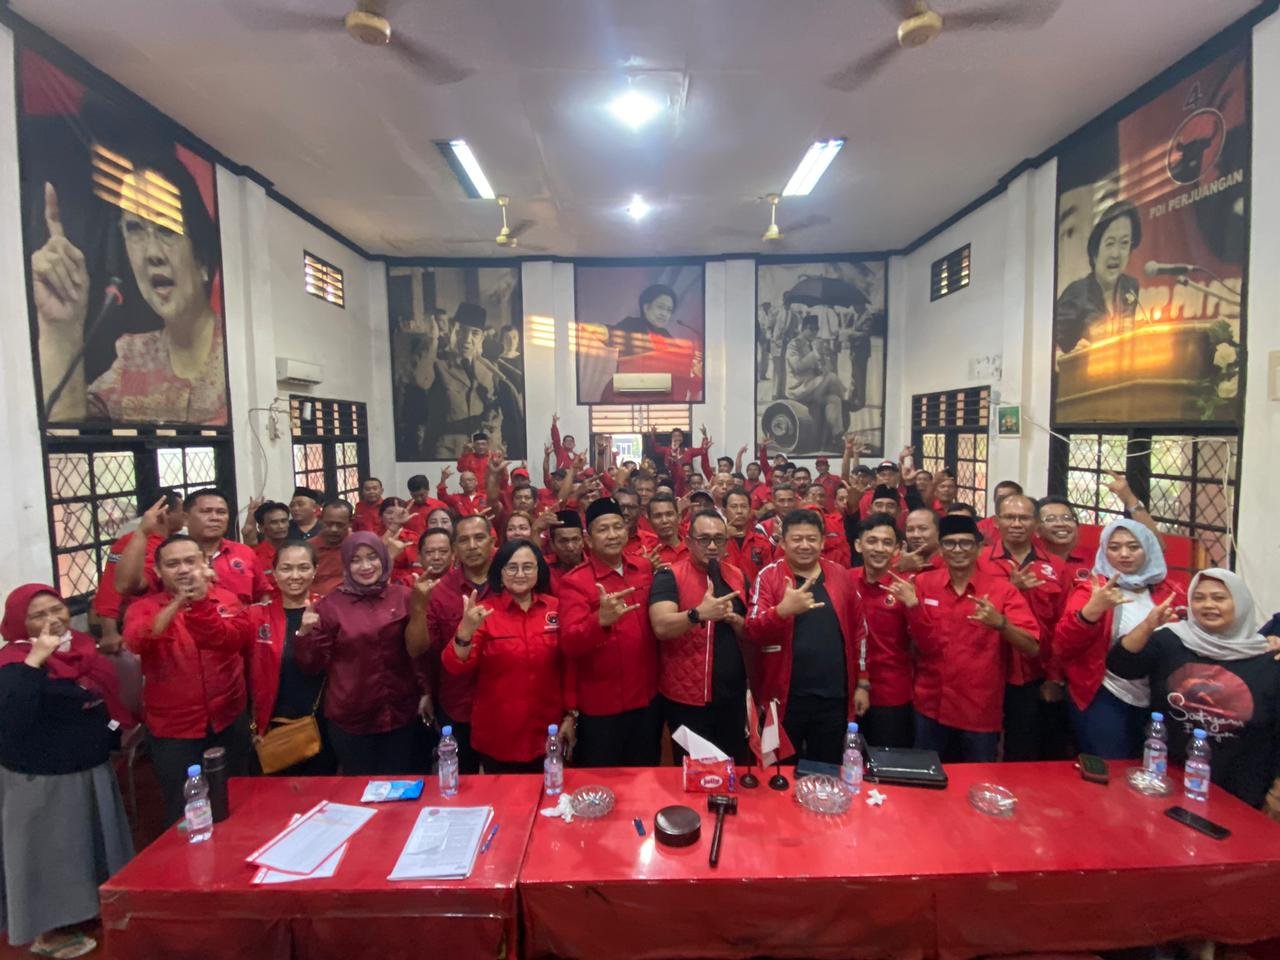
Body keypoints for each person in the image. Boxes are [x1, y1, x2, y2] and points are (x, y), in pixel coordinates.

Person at [34, 155, 226, 424]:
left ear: (202, 259)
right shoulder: (133, 358)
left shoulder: (235, 353)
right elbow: (69, 433)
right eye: (134, 229)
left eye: (167, 230)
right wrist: (62, 331)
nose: (152, 254)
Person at [0, 584, 135, 959]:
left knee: (85, 846)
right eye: (38, 615)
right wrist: (35, 660)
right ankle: (47, 932)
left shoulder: (80, 648)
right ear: (18, 622)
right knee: (50, 854)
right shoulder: (14, 664)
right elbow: (12, 720)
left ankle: (83, 910)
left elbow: (98, 702)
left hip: (87, 769)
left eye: (56, 609)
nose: (52, 619)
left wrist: (112, 733)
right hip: (45, 779)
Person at [1107, 569, 1280, 809]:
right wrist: (1148, 625)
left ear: (1241, 603)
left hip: (1240, 790)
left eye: (1219, 598)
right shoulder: (1171, 640)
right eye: (1199, 598)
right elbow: (1120, 664)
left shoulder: (1270, 657)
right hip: (1168, 780)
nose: (1208, 605)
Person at [123, 534, 253, 823]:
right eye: (173, 564)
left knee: (238, 799)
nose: (183, 569)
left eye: (190, 561)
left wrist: (201, 603)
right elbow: (138, 641)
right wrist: (179, 603)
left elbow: (233, 640)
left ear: (204, 563)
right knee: (185, 809)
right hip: (175, 729)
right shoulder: (143, 608)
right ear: (158, 572)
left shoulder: (227, 599)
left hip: (228, 717)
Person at [890, 514, 1040, 763]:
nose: (958, 549)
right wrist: (913, 605)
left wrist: (1001, 624)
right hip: (930, 704)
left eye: (966, 543)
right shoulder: (923, 584)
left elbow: (1032, 647)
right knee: (926, 777)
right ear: (940, 549)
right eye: (950, 543)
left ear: (979, 548)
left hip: (978, 711)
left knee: (977, 779)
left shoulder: (1002, 590)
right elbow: (916, 642)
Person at [293, 533, 428, 775]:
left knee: (403, 784)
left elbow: (416, 654)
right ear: (346, 563)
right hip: (353, 718)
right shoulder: (330, 607)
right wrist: (304, 634)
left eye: (372, 557)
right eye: (356, 560)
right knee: (361, 788)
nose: (365, 566)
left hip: (401, 712)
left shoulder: (404, 596)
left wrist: (426, 690)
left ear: (383, 558)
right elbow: (312, 666)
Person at [1054, 520, 1188, 759]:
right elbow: (1063, 646)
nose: (1124, 554)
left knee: (1151, 764)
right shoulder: (1092, 589)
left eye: (1133, 547)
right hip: (1103, 690)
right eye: (1114, 547)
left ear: (1148, 549)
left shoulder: (1170, 591)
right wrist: (1091, 612)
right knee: (1111, 765)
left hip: (1157, 693)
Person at [442, 539, 577, 772]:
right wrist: (464, 632)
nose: (520, 574)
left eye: (528, 567)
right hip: (498, 733)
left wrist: (571, 715)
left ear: (538, 571)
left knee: (550, 791)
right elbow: (455, 665)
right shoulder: (484, 613)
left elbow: (570, 666)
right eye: (512, 567)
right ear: (500, 572)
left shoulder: (556, 608)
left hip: (549, 730)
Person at [746, 508, 868, 765]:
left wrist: (863, 683)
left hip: (834, 697)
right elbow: (752, 630)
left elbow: (860, 631)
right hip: (785, 698)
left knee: (826, 771)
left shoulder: (840, 575)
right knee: (779, 772)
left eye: (811, 539)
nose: (804, 545)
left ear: (822, 542)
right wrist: (781, 611)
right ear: (783, 542)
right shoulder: (768, 576)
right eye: (797, 539)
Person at [558, 499, 662, 766]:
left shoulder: (643, 569)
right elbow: (569, 644)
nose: (613, 534)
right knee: (602, 780)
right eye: (603, 529)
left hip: (647, 701)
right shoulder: (575, 582)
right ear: (588, 539)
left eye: (618, 527)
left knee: (645, 776)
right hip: (601, 708)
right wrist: (600, 622)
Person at [649, 511, 750, 762]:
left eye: (719, 539)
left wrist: (736, 620)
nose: (712, 546)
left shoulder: (738, 576)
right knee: (694, 772)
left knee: (733, 768)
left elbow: (749, 631)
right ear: (688, 541)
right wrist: (698, 614)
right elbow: (661, 626)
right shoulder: (669, 576)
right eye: (704, 539)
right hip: (687, 700)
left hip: (733, 697)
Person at [982, 494, 1067, 761]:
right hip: (988, 671)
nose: (1016, 524)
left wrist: (1054, 677)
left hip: (1035, 674)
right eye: (1009, 517)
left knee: (1024, 751)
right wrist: (1009, 590)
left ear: (1036, 523)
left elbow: (1063, 627)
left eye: (1024, 518)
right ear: (996, 521)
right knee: (981, 748)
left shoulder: (1056, 567)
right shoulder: (979, 561)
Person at [411, 515, 496, 774]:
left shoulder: (511, 580)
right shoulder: (440, 591)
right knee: (460, 783)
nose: (472, 545)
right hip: (458, 705)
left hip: (504, 703)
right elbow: (421, 652)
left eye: (479, 538)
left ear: (492, 541)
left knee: (507, 784)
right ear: (455, 548)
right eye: (464, 540)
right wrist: (426, 690)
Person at [247, 541, 336, 775]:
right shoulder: (257, 615)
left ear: (315, 570)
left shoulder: (329, 609)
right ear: (274, 573)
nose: (295, 576)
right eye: (286, 568)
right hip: (274, 725)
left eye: (303, 567)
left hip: (324, 721)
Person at [116, 488, 269, 607]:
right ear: (186, 518)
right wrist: (142, 532)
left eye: (221, 512)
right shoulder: (169, 556)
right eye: (206, 511)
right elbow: (125, 586)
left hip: (238, 633)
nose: (215, 518)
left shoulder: (244, 553)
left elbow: (262, 595)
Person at [93, 489, 185, 653]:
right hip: (140, 625)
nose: (184, 515)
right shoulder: (131, 543)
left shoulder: (174, 543)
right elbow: (110, 587)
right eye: (181, 510)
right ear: (165, 514)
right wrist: (110, 632)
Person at [852, 514, 915, 748]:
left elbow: (925, 643)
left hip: (891, 693)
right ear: (859, 545)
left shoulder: (908, 586)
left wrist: (914, 606)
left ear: (897, 548)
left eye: (887, 543)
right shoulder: (845, 580)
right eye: (872, 541)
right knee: (849, 759)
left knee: (887, 760)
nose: (879, 548)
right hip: (848, 689)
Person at [1054, 200, 1142, 354]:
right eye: (1110, 243)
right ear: (1095, 251)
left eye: (1124, 243)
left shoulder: (1130, 289)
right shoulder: (1077, 293)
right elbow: (1048, 345)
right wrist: (1068, 355)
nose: (1116, 253)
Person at [784, 315, 846, 450]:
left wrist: (824, 357)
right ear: (803, 328)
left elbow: (825, 370)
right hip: (799, 388)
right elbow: (797, 367)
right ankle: (846, 399)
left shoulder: (814, 344)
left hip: (813, 388)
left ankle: (837, 437)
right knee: (832, 378)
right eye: (811, 329)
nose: (814, 332)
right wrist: (815, 353)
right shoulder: (794, 344)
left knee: (834, 399)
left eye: (816, 329)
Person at [723, 487, 774, 586]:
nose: (739, 511)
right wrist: (723, 537)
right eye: (734, 506)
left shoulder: (761, 542)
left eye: (744, 506)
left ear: (750, 511)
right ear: (724, 511)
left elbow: (768, 575)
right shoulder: (715, 543)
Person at [1036, 496, 1093, 583]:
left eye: (1067, 518)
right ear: (1036, 529)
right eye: (1051, 519)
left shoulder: (1093, 558)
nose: (1061, 524)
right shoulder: (1030, 560)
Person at [312, 500, 353, 595]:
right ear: (320, 519)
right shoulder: (308, 548)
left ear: (350, 522)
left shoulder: (359, 546)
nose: (334, 529)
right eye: (328, 524)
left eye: (340, 525)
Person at [242, 499, 291, 572]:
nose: (280, 526)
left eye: (284, 521)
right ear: (261, 528)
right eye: (274, 522)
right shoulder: (254, 556)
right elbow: (248, 531)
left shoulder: (297, 551)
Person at [643, 492, 687, 566]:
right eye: (658, 516)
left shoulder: (695, 550)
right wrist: (645, 567)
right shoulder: (645, 555)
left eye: (669, 514)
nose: (664, 520)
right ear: (649, 522)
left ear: (679, 517)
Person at [547, 510, 585, 594]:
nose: (570, 547)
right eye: (563, 541)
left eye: (575, 540)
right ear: (552, 544)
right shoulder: (545, 568)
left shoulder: (594, 566)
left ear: (583, 541)